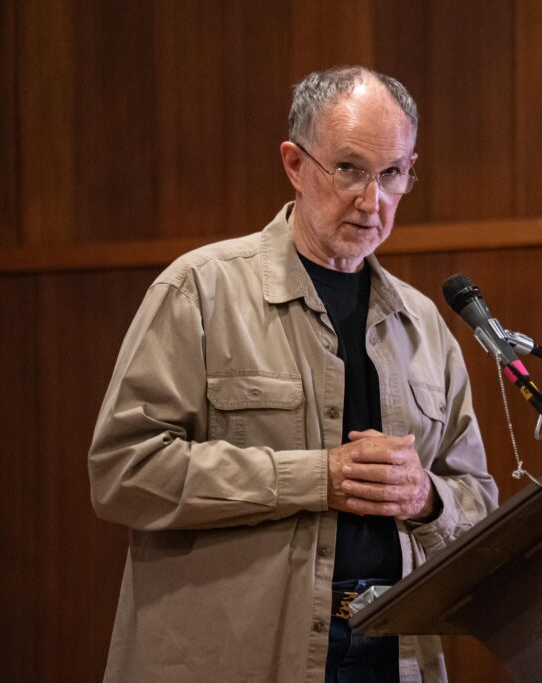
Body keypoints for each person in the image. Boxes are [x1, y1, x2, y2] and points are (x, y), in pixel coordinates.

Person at [88, 65, 498, 683]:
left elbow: (477, 499)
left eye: (393, 174)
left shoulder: (424, 323)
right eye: (350, 170)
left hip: (394, 651)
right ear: (295, 165)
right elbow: (125, 472)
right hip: (241, 657)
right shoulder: (199, 291)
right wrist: (315, 477)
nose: (372, 200)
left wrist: (426, 497)